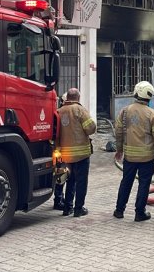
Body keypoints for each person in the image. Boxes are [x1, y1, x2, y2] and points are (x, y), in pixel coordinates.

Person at [113, 81, 154, 222]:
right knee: (144, 184)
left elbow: (118, 132)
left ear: (136, 93)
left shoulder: (124, 111)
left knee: (126, 182)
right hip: (147, 158)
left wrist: (119, 150)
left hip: (129, 157)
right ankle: (139, 213)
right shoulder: (152, 114)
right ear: (149, 96)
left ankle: (119, 210)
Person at [57, 88, 97, 217]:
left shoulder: (59, 111)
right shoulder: (80, 110)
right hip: (81, 154)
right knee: (81, 182)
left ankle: (67, 208)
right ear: (78, 98)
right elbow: (91, 128)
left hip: (65, 155)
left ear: (67, 97)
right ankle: (79, 208)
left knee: (70, 180)